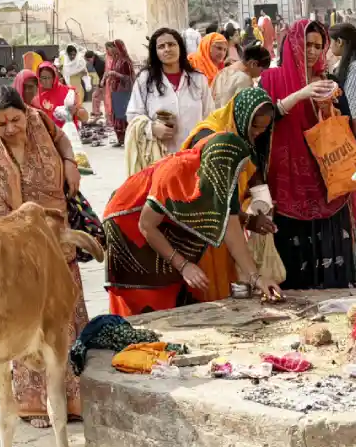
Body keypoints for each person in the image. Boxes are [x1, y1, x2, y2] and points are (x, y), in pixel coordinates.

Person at [0, 86, 85, 428]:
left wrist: (70, 163)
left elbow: (63, 139)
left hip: (60, 239)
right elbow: (1, 224)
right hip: (23, 253)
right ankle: (34, 402)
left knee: (67, 317)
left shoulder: (39, 120)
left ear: (25, 113)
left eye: (15, 119)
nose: (10, 128)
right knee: (32, 324)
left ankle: (74, 397)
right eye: (1, 123)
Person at [104, 105, 282, 317]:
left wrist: (256, 277)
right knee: (146, 298)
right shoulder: (176, 172)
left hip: (159, 226)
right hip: (127, 224)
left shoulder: (220, 173)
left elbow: (229, 223)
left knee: (169, 296)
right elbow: (146, 225)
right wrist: (183, 265)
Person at [259, 19, 356, 289]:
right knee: (292, 244)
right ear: (292, 44)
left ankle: (331, 289)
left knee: (328, 238)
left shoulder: (329, 82)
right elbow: (262, 120)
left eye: (317, 45)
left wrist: (327, 108)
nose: (312, 51)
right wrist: (300, 94)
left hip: (325, 174)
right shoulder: (271, 79)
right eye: (307, 44)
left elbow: (345, 125)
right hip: (287, 176)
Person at [178, 86, 283, 300]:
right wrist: (256, 277)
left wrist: (255, 213)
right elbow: (222, 211)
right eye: (255, 127)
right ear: (242, 118)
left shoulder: (241, 136)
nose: (258, 133)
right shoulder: (216, 145)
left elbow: (233, 203)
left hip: (219, 223)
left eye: (263, 129)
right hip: (199, 226)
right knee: (206, 288)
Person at [125, 27, 214, 157]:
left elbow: (210, 115)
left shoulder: (198, 79)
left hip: (194, 155)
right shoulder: (145, 80)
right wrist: (152, 128)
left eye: (171, 44)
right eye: (161, 46)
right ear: (155, 52)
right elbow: (133, 115)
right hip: (159, 156)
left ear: (180, 48)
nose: (167, 49)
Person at [102, 39, 135, 144]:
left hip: (124, 90)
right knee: (117, 114)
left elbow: (129, 78)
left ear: (119, 48)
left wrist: (115, 74)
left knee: (122, 114)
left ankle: (126, 138)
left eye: (113, 47)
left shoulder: (126, 61)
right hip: (116, 89)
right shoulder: (116, 59)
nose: (111, 50)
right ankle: (120, 139)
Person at [86, 49, 107, 118]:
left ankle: (101, 113)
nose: (88, 61)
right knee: (96, 96)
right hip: (103, 81)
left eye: (88, 60)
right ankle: (96, 112)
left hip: (105, 82)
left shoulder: (99, 63)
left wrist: (101, 83)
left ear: (92, 57)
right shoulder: (96, 62)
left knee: (100, 97)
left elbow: (104, 73)